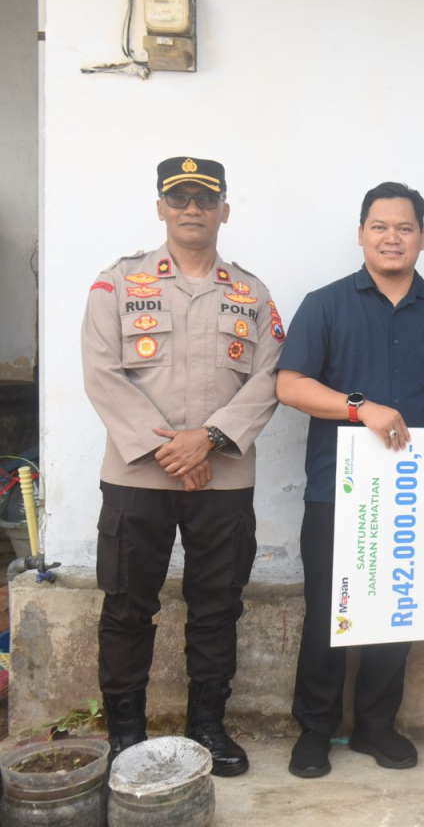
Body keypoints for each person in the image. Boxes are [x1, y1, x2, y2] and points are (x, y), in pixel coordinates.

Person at [82, 156, 283, 775]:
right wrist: (171, 450)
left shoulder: (253, 294)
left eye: (205, 198)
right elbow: (100, 372)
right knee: (127, 605)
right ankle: (126, 735)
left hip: (222, 478)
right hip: (137, 476)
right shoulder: (117, 284)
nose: (192, 208)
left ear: (225, 210)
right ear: (160, 208)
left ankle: (208, 729)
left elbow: (271, 378)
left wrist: (211, 439)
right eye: (180, 197)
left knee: (218, 606)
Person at [278, 181, 424, 779]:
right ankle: (314, 729)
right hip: (338, 487)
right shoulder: (325, 304)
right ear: (362, 233)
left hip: (417, 489)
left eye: (404, 228)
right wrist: (358, 407)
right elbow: (289, 385)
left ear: (422, 237)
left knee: (399, 607)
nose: (392, 238)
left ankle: (375, 726)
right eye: (380, 226)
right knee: (327, 612)